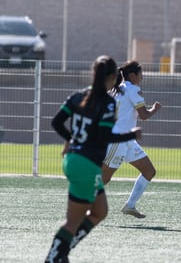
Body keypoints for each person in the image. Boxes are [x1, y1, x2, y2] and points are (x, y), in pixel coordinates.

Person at [45, 55, 142, 262]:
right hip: (85, 164)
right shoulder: (107, 103)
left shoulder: (78, 96)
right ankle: (54, 257)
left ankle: (62, 252)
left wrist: (71, 139)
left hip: (75, 161)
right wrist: (131, 135)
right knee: (73, 221)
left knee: (100, 211)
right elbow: (104, 137)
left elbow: (56, 122)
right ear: (112, 77)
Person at [102, 60, 161, 219]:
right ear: (132, 75)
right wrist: (155, 109)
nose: (142, 76)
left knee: (149, 171)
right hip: (118, 139)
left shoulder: (118, 89)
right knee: (104, 178)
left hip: (127, 139)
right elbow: (144, 115)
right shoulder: (132, 89)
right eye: (141, 73)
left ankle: (130, 205)